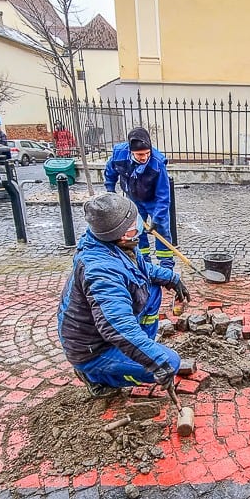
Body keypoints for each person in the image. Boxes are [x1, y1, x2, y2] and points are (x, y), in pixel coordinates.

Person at [57, 193, 190, 398]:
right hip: (93, 349)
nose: (139, 224)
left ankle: (141, 345)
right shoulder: (101, 271)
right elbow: (117, 326)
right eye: (132, 222)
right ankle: (95, 376)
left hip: (103, 332)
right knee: (170, 363)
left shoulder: (117, 243)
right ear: (120, 233)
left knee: (153, 290)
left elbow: (140, 269)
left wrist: (171, 277)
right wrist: (155, 360)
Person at [104, 127, 175, 270]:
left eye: (147, 153)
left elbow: (164, 195)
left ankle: (166, 268)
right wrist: (110, 191)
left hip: (154, 200)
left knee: (162, 231)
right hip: (133, 198)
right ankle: (143, 264)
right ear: (131, 151)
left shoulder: (157, 162)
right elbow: (110, 172)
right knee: (135, 231)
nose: (144, 157)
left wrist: (157, 218)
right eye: (139, 154)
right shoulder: (119, 154)